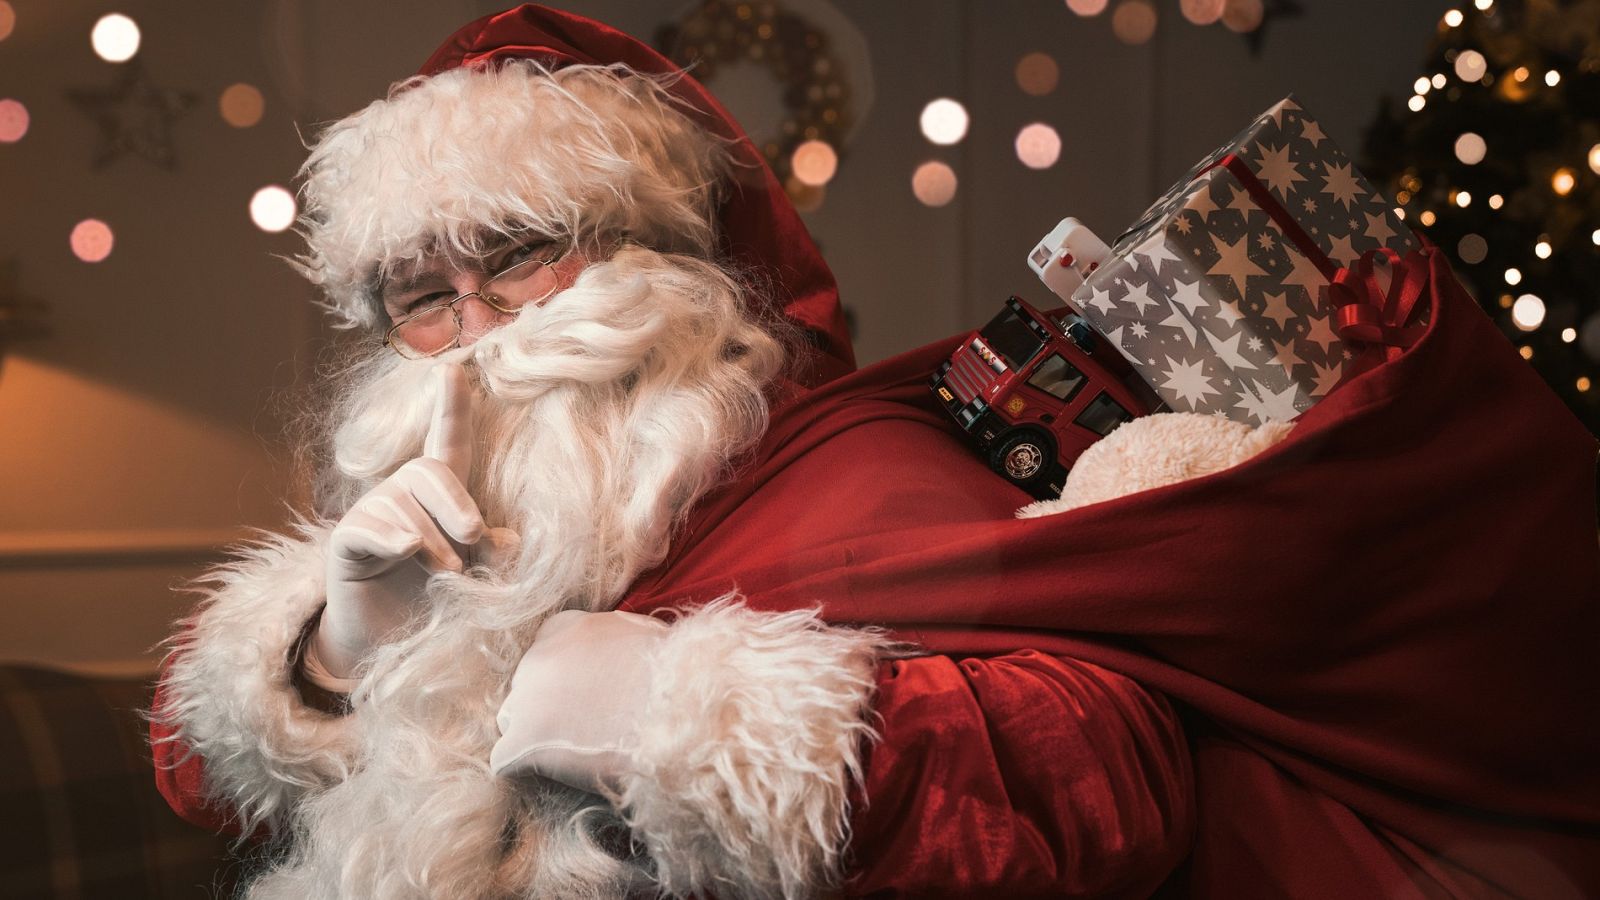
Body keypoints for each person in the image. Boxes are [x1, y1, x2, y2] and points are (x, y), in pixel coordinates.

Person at [151, 5, 1600, 899]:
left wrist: (678, 718)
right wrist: (329, 657)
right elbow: (196, 779)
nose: (477, 329)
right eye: (420, 294)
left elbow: (1119, 782)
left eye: (522, 253)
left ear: (662, 253)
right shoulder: (402, 522)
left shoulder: (853, 469)